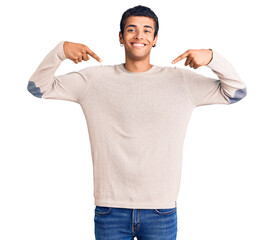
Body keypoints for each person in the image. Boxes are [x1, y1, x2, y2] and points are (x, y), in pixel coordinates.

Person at [27, 4, 247, 240]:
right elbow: (38, 87)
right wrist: (60, 51)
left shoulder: (180, 81)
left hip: (160, 209)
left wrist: (213, 57)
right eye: (131, 29)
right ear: (121, 37)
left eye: (146, 30)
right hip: (110, 208)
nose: (139, 35)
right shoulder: (94, 80)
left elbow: (235, 92)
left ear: (155, 39)